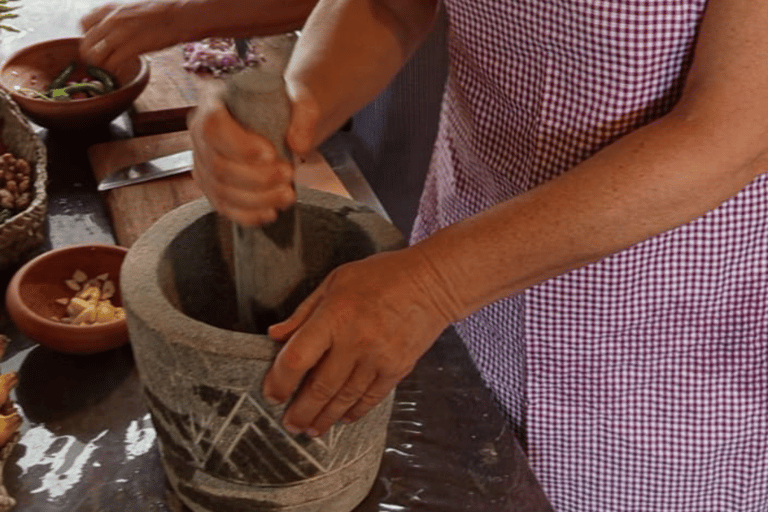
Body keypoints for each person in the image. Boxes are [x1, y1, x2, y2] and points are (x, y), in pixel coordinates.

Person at [80, 0, 768, 510]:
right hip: (470, 247)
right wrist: (302, 102)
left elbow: (730, 131)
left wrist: (437, 282)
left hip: (666, 325)